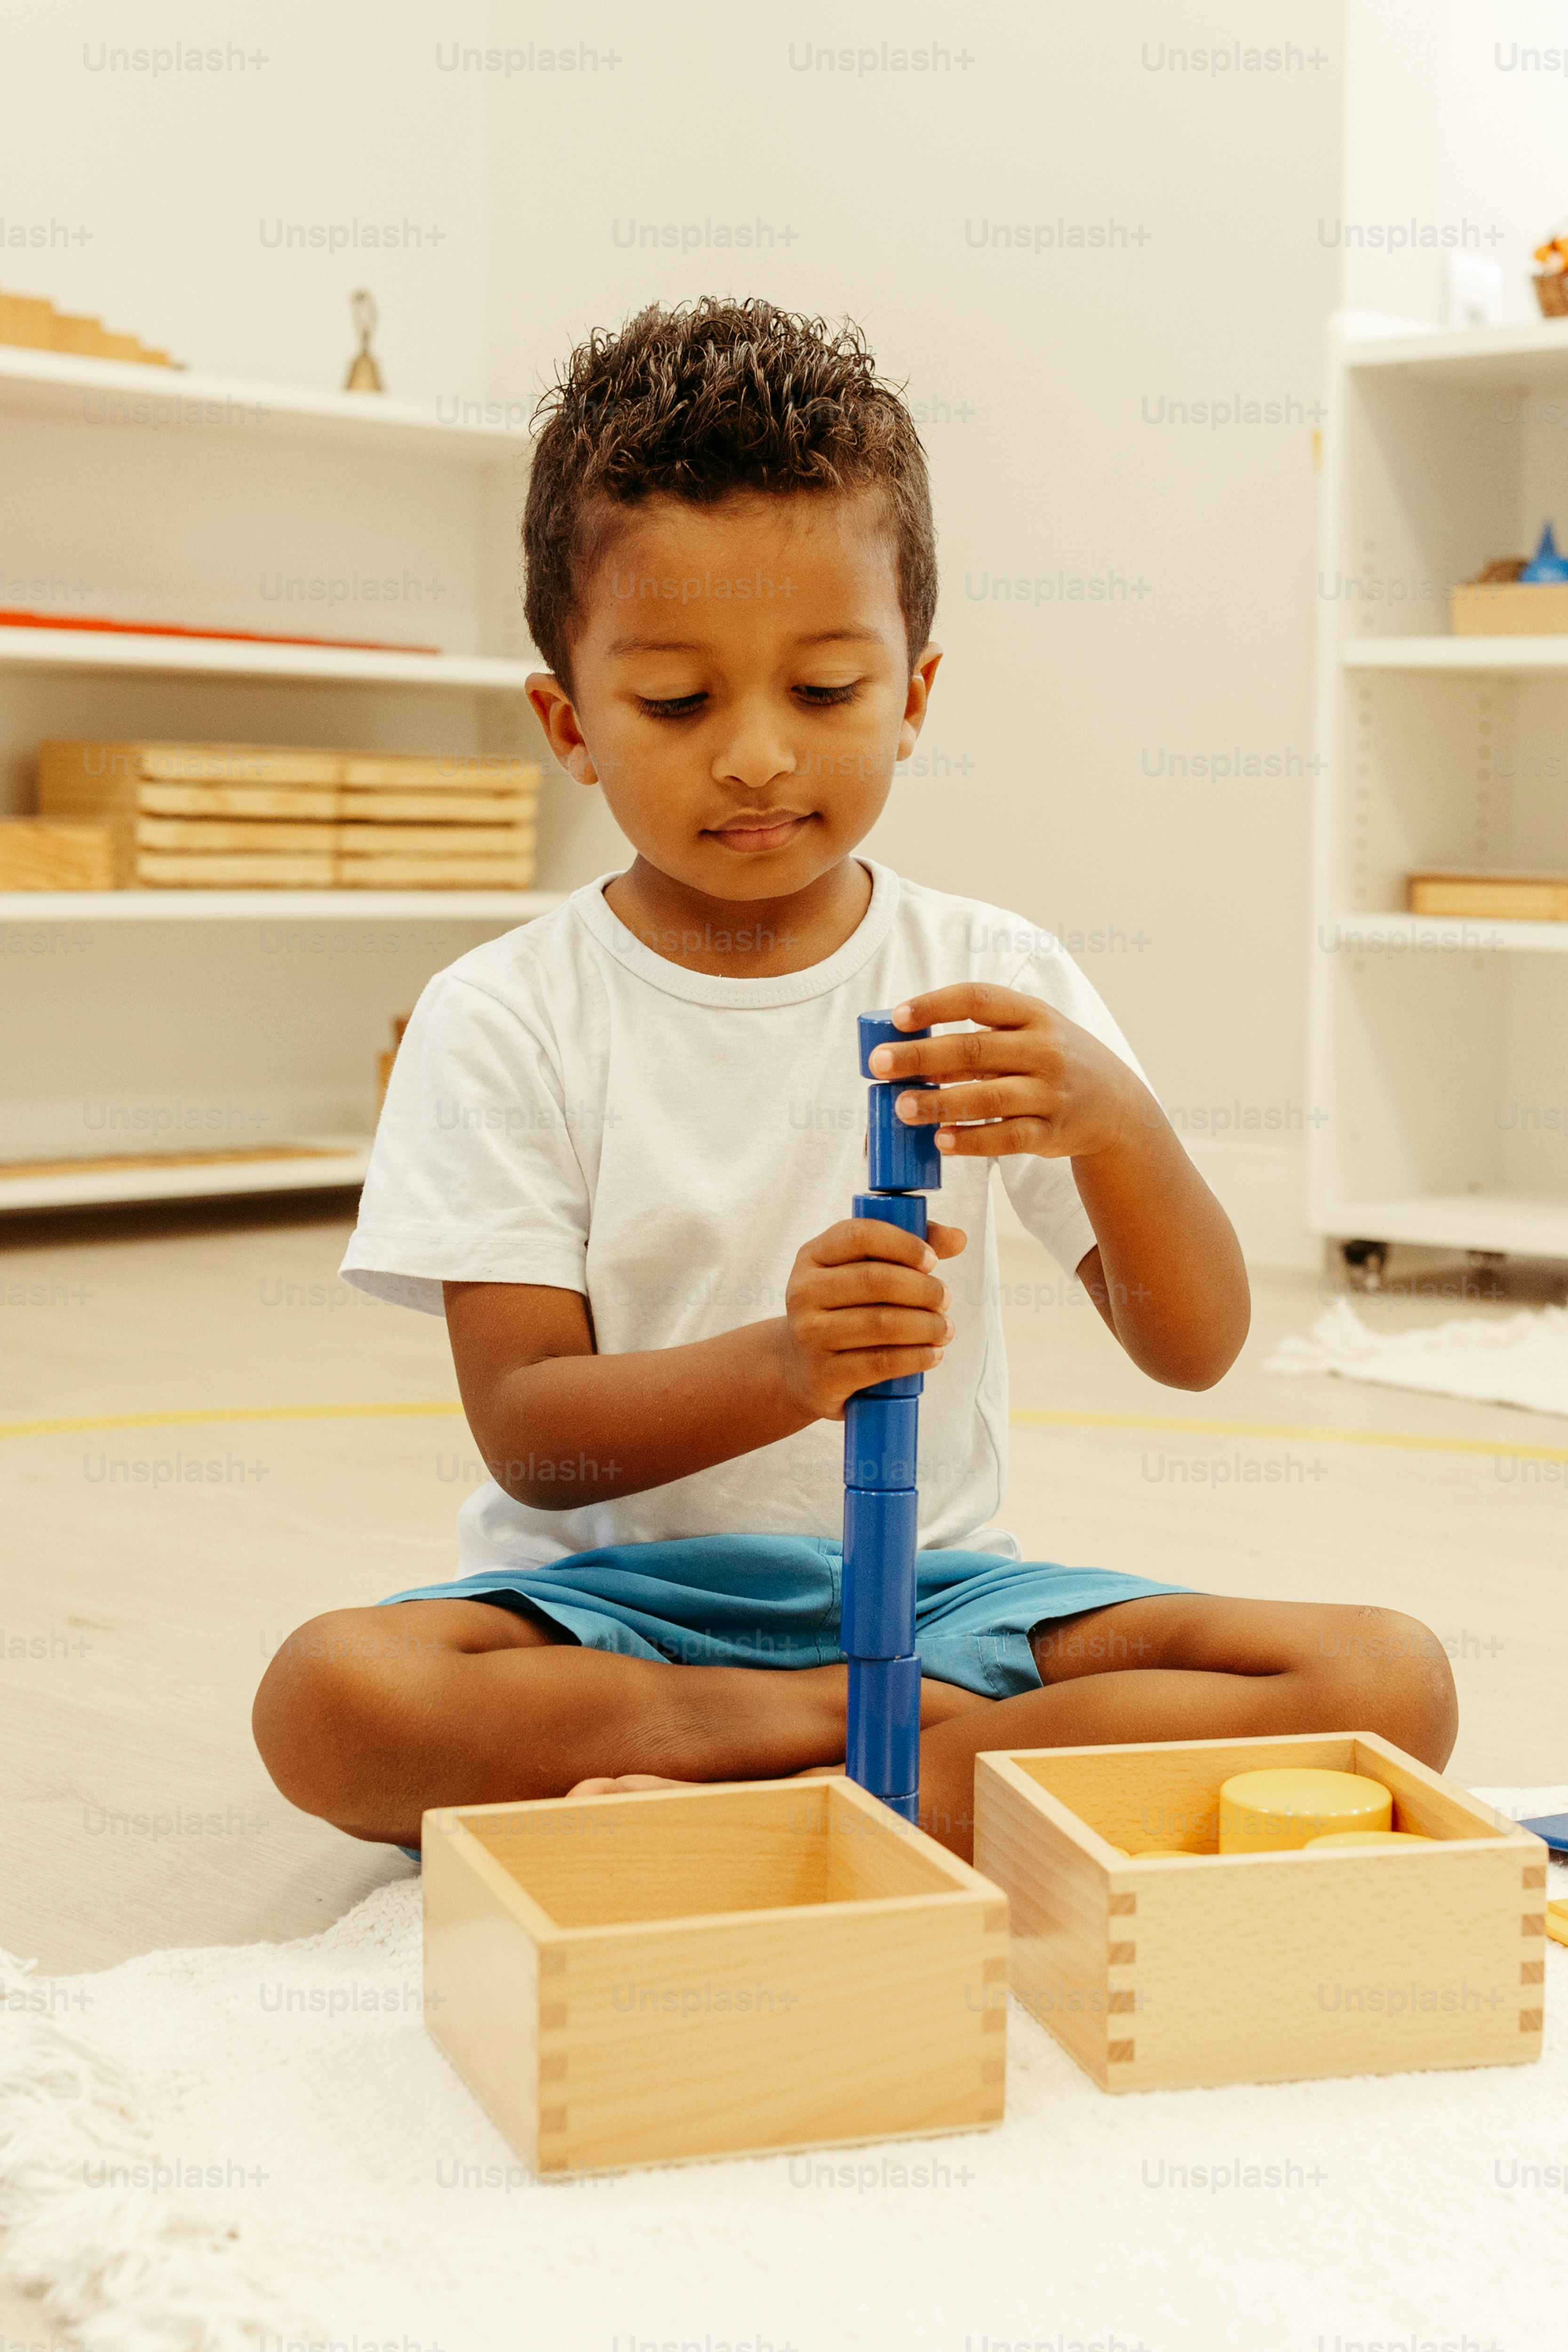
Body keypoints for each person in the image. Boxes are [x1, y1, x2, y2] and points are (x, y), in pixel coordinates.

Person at [252, 298, 1456, 1861]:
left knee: (1385, 1676)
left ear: (915, 693)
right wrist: (788, 1365)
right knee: (333, 1698)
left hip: (945, 1600)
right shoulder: (505, 1016)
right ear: (570, 724)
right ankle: (873, 1762)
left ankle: (827, 1775)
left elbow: (1197, 1345)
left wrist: (1120, 1127)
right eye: (678, 703)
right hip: (612, 1624)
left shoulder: (992, 980)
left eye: (824, 691)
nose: (755, 755)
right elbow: (533, 1433)